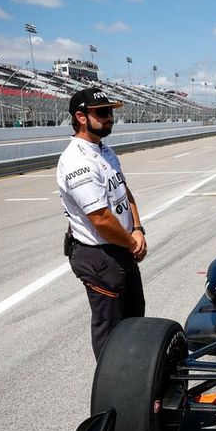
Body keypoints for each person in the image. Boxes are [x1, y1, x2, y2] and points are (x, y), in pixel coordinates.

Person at [57, 86, 147, 359]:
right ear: (81, 117)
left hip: (121, 247)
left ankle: (132, 375)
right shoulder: (77, 160)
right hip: (100, 255)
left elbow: (124, 190)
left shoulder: (104, 150)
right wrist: (132, 242)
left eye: (110, 112)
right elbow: (100, 219)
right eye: (102, 112)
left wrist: (138, 228)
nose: (110, 117)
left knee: (134, 318)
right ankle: (112, 389)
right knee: (109, 327)